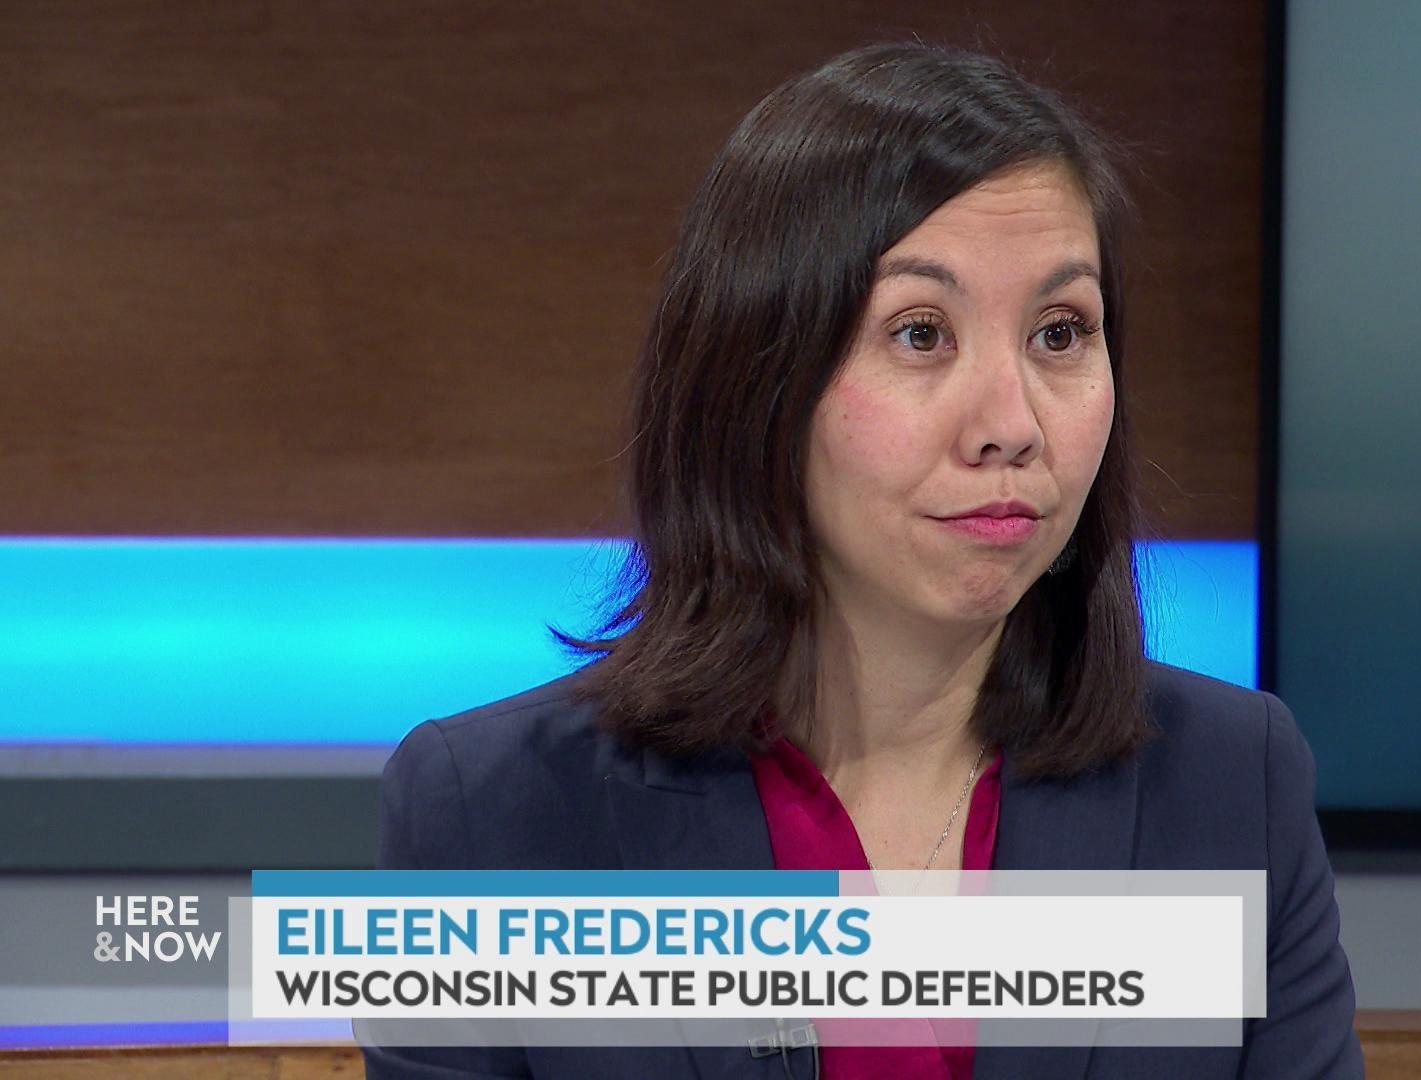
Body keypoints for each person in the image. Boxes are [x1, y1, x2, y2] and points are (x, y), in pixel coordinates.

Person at [364, 41, 1363, 1079]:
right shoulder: (493, 820)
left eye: (1061, 332)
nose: (1010, 424)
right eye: (922, 333)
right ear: (758, 380)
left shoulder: (1230, 783)